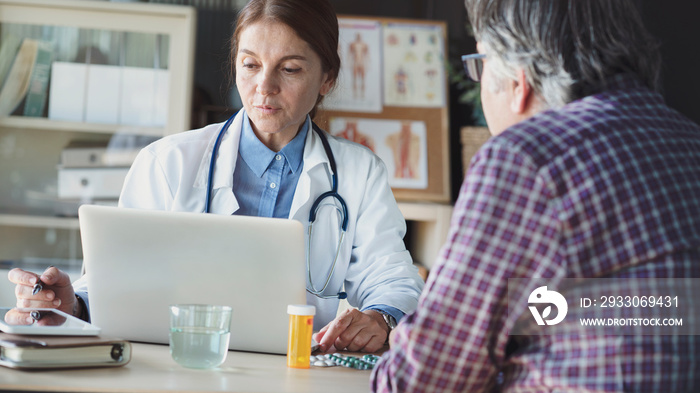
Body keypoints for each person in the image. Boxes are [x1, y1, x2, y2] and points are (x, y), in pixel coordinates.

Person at [7, 0, 423, 354]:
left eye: (290, 69)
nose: (265, 86)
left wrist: (381, 317)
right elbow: (115, 286)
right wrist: (72, 304)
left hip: (302, 371)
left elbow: (393, 280)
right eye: (250, 65)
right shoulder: (167, 163)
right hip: (185, 368)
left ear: (327, 79)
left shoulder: (359, 173)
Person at [371, 0, 700, 391]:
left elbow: (421, 380)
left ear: (518, 81)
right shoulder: (689, 142)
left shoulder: (527, 158)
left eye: (480, 63)